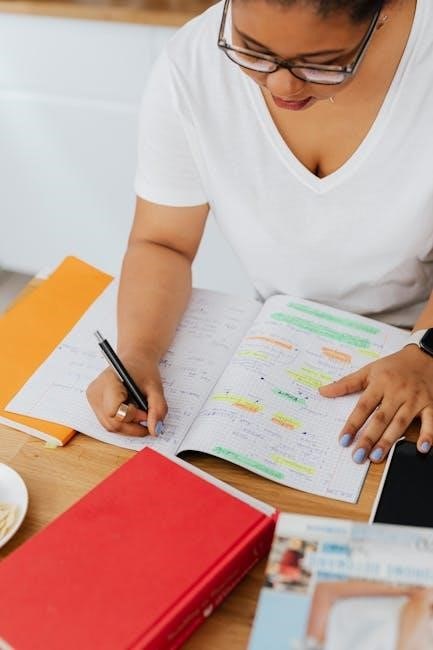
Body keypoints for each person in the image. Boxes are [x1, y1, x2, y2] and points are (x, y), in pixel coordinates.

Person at [86, 0, 433, 465]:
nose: (281, 86)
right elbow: (163, 242)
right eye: (252, 50)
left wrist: (426, 351)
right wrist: (137, 353)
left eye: (323, 64)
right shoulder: (191, 67)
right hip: (286, 350)